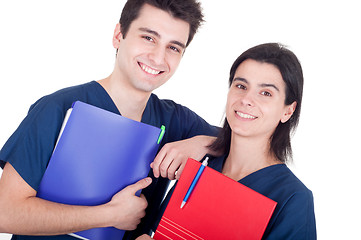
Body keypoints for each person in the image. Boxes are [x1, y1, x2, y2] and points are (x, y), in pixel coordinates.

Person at [0, 0, 219, 239]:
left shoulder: (176, 120)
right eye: (148, 38)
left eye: (174, 48)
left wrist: (202, 143)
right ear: (118, 36)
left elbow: (250, 141)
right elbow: (6, 214)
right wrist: (109, 215)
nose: (158, 57)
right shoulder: (58, 108)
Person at [140, 43, 316, 239]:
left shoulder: (293, 198)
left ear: (288, 110)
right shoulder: (201, 168)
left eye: (265, 93)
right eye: (241, 86)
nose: (246, 99)